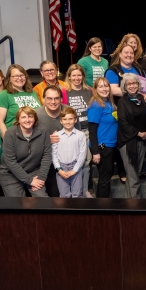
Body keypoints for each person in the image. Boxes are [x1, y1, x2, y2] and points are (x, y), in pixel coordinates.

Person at [0, 106, 51, 197]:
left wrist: (41, 178)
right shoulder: (10, 133)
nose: (27, 120)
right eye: (23, 117)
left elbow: (47, 155)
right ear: (18, 120)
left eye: (30, 116)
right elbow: (10, 162)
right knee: (17, 204)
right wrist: (30, 181)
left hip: (33, 171)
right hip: (11, 174)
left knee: (42, 199)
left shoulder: (43, 131)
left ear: (35, 118)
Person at [117, 73, 146, 198]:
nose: (132, 86)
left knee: (136, 172)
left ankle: (129, 202)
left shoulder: (140, 98)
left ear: (138, 84)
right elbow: (123, 122)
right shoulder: (122, 102)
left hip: (142, 140)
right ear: (124, 86)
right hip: (128, 141)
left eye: (134, 83)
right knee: (132, 175)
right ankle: (135, 204)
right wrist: (138, 132)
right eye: (129, 84)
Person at [87, 77, 118, 198]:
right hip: (102, 147)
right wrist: (95, 152)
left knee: (107, 176)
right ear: (95, 89)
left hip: (111, 145)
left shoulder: (109, 103)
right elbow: (92, 130)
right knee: (104, 179)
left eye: (106, 86)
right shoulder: (96, 105)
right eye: (100, 86)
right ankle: (102, 208)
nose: (104, 89)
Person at [65, 64, 93, 196]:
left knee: (86, 161)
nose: (77, 78)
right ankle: (74, 191)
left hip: (87, 131)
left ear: (83, 76)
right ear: (69, 77)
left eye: (79, 75)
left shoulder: (90, 91)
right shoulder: (64, 92)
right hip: (72, 132)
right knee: (75, 162)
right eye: (74, 75)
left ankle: (85, 190)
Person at [0, 64, 41, 138]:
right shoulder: (3, 95)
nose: (19, 78)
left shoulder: (32, 92)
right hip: (15, 137)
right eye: (15, 76)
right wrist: (8, 140)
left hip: (35, 135)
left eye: (22, 75)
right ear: (9, 78)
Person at [36, 85, 66, 197]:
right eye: (49, 98)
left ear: (61, 99)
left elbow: (77, 134)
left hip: (65, 159)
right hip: (43, 161)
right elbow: (29, 139)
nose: (53, 102)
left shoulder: (68, 111)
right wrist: (46, 139)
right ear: (43, 99)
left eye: (56, 98)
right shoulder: (36, 115)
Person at [52, 107, 87, 198]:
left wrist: (74, 170)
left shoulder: (81, 135)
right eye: (65, 119)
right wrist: (59, 170)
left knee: (77, 194)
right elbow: (54, 154)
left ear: (75, 120)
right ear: (61, 121)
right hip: (61, 168)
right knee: (64, 195)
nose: (68, 122)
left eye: (70, 119)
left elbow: (82, 154)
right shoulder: (56, 135)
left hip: (76, 167)